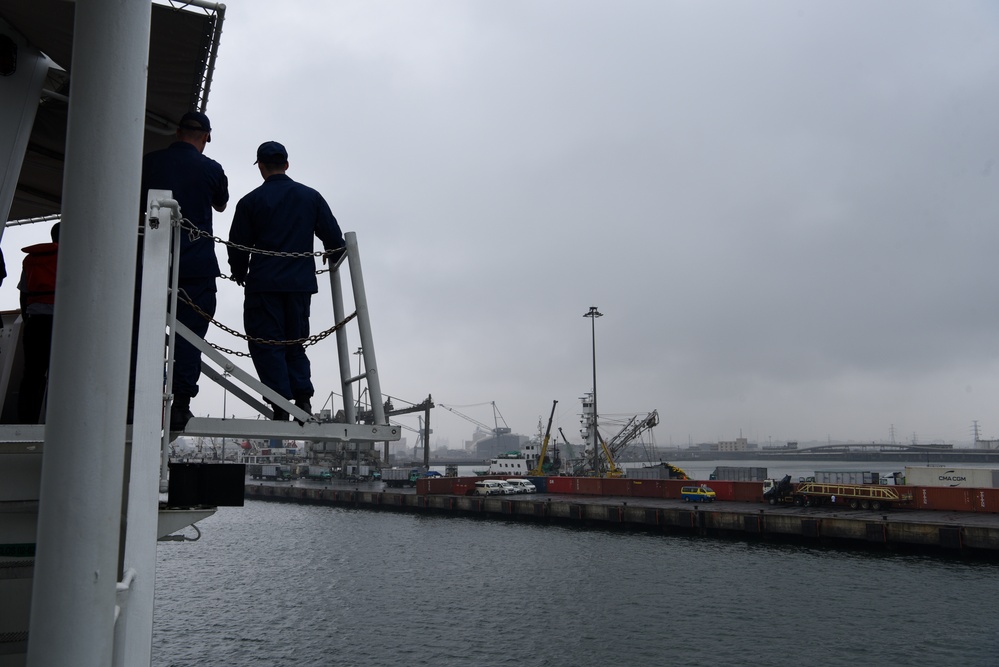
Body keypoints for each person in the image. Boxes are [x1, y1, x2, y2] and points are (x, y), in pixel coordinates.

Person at [227, 141, 344, 422]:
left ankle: (280, 405)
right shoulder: (311, 197)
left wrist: (239, 273)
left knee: (267, 343)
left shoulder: (250, 201)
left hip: (264, 286)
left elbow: (237, 246)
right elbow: (335, 240)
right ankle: (303, 400)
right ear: (287, 165)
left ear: (261, 167)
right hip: (299, 285)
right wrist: (332, 254)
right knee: (295, 342)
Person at [139, 111, 228, 431]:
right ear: (207, 136)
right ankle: (180, 406)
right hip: (195, 266)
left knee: (139, 333)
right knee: (188, 338)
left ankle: (134, 399)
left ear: (177, 132)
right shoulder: (211, 169)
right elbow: (220, 204)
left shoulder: (147, 162)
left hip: (146, 264)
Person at [17, 223, 59, 423]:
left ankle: (26, 422)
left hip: (35, 322)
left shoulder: (30, 259)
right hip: (61, 325)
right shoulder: (71, 257)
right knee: (61, 375)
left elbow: (23, 294)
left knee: (32, 375)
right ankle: (57, 422)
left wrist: (27, 320)